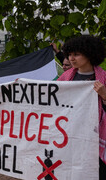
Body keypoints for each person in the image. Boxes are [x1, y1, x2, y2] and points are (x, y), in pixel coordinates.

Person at [58, 35, 106, 179]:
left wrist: (105, 95)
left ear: (90, 53)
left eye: (76, 54)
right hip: (70, 138)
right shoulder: (65, 78)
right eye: (70, 54)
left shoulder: (103, 79)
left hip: (94, 142)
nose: (71, 58)